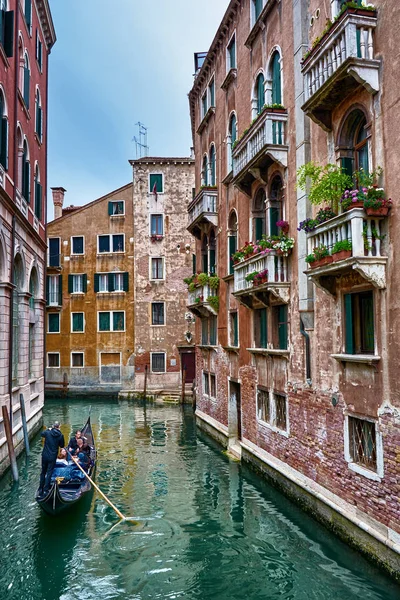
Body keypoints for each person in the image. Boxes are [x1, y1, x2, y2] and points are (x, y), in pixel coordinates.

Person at [38, 421, 65, 496]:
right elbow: (62, 445)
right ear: (59, 426)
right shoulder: (60, 435)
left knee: (43, 472)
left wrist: (48, 429)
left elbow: (41, 434)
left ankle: (40, 489)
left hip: (45, 456)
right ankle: (46, 490)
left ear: (53, 426)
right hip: (52, 457)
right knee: (49, 473)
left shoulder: (48, 433)